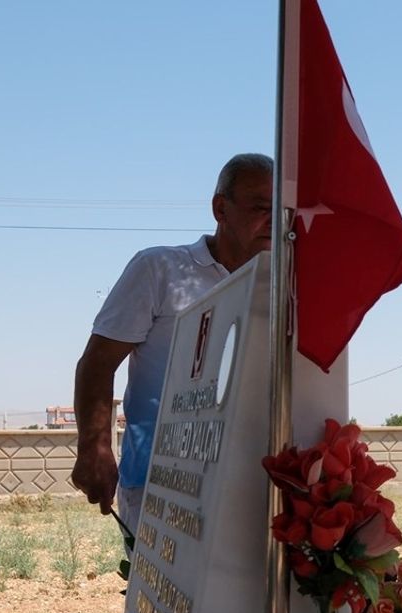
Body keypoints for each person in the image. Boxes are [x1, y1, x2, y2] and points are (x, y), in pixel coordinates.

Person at [72, 153, 274, 532]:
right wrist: (94, 447)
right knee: (162, 593)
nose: (273, 221)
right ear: (220, 208)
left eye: (281, 211)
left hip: (253, 488)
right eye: (261, 207)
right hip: (160, 488)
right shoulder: (159, 270)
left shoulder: (282, 288)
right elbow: (97, 364)